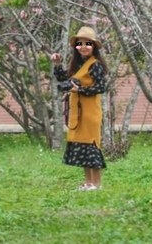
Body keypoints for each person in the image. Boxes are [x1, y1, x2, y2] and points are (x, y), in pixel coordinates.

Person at [51, 26, 108, 191]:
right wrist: (57, 64)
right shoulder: (78, 65)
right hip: (78, 113)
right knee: (83, 147)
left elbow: (101, 87)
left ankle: (96, 184)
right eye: (80, 43)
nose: (83, 47)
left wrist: (80, 90)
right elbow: (65, 80)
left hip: (90, 113)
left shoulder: (95, 65)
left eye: (87, 43)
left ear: (93, 46)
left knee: (92, 146)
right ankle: (88, 183)